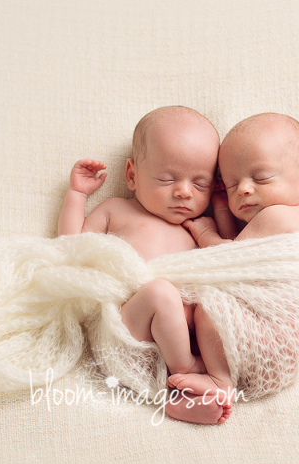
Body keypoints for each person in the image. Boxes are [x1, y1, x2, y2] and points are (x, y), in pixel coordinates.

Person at [58, 106, 232, 424]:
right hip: (128, 333)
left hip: (184, 339)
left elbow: (230, 257)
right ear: (132, 176)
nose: (184, 191)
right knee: (160, 293)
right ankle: (187, 369)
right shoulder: (116, 209)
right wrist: (76, 195)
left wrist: (221, 209)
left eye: (201, 184)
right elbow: (72, 248)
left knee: (218, 303)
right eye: (167, 179)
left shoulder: (198, 228)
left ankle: (177, 400)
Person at [172, 112, 299, 417]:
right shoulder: (292, 221)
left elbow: (228, 258)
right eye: (231, 184)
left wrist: (205, 234)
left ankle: (219, 380)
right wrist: (222, 211)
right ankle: (204, 374)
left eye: (260, 177)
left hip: (276, 337)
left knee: (210, 307)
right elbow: (244, 257)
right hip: (284, 351)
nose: (243, 190)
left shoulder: (276, 215)